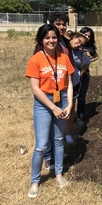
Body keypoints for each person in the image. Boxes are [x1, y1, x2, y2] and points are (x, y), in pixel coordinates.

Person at [25, 24, 74, 198]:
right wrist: (52, 107)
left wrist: (68, 106)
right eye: (47, 38)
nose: (51, 40)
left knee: (59, 140)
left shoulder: (64, 57)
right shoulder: (36, 59)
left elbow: (68, 83)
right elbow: (35, 89)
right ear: (41, 40)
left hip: (61, 100)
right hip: (44, 103)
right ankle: (35, 181)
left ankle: (59, 174)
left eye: (54, 37)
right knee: (41, 146)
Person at [34, 12, 74, 167]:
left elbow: (68, 66)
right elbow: (40, 70)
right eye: (58, 24)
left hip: (64, 90)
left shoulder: (65, 42)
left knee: (58, 127)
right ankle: (49, 156)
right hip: (48, 93)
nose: (62, 27)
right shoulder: (42, 46)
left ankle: (57, 154)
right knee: (48, 127)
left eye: (64, 24)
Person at [64, 30, 90, 143]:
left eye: (82, 44)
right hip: (60, 82)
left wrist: (80, 73)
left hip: (73, 82)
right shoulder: (63, 46)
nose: (79, 45)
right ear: (74, 37)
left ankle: (67, 133)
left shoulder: (80, 53)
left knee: (71, 106)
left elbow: (87, 61)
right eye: (79, 41)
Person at [76, 27, 99, 124]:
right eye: (85, 34)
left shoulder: (90, 48)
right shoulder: (75, 45)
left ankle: (80, 117)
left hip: (85, 74)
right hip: (73, 74)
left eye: (89, 36)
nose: (87, 37)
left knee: (81, 96)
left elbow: (96, 56)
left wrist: (89, 60)